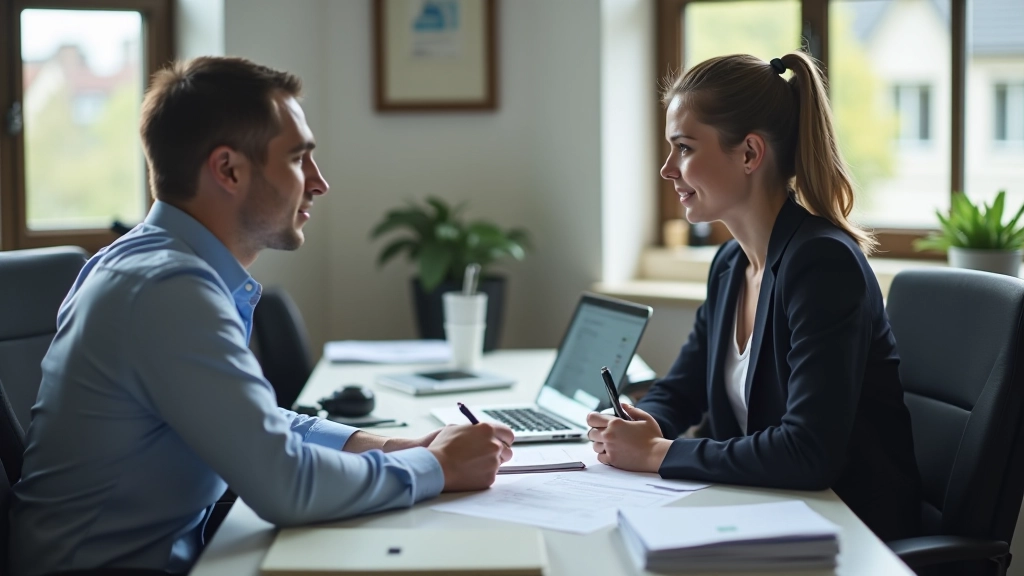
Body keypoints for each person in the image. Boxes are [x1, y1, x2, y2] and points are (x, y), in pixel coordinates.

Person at [9, 56, 514, 576]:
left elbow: (253, 422)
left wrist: (385, 445)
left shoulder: (156, 264)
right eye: (298, 159)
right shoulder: (166, 290)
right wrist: (437, 466)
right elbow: (285, 487)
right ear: (228, 169)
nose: (318, 183)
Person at [586, 52, 922, 541]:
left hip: (848, 534)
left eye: (683, 148)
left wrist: (656, 453)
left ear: (748, 154)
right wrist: (638, 423)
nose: (666, 170)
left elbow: (807, 451)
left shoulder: (822, 265)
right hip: (766, 512)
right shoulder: (730, 265)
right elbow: (683, 387)